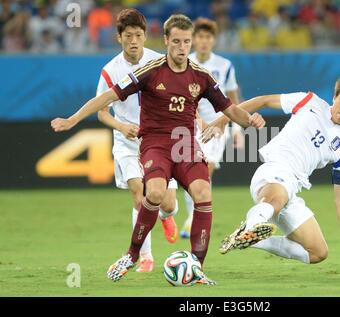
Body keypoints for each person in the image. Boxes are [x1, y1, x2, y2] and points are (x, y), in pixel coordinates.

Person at [51, 14, 265, 284]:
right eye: (176, 41)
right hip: (155, 144)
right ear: (165, 41)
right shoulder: (150, 70)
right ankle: (132, 254)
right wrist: (72, 119)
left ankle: (196, 266)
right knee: (152, 192)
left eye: (186, 42)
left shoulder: (201, 76)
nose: (182, 47)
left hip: (186, 145)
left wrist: (249, 121)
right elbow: (107, 97)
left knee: (203, 191)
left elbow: (230, 108)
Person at [203, 74, 340, 266]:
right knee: (277, 199)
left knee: (317, 252)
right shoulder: (309, 101)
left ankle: (251, 239)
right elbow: (264, 100)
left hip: (293, 188)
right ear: (334, 97)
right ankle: (250, 227)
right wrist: (222, 121)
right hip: (273, 170)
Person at [96, 8, 179, 273]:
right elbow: (101, 112)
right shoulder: (110, 70)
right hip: (127, 142)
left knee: (166, 202)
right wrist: (121, 125)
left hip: (161, 140)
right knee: (139, 194)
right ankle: (145, 256)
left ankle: (167, 216)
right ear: (119, 37)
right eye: (128, 35)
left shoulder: (161, 62)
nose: (133, 40)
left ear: (146, 37)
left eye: (138, 35)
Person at [180, 17, 245, 239]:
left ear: (213, 40)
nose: (204, 41)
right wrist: (198, 121)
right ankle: (192, 215)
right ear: (193, 39)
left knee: (205, 169)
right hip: (190, 123)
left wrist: (237, 130)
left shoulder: (224, 66)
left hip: (218, 125)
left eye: (208, 37)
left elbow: (233, 98)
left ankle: (193, 218)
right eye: (200, 37)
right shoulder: (185, 63)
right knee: (190, 172)